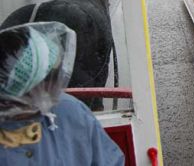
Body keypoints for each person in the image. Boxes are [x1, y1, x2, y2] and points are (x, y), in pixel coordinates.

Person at [0, 22, 124, 165]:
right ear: (31, 89)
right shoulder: (70, 113)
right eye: (52, 76)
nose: (59, 86)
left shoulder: (72, 111)